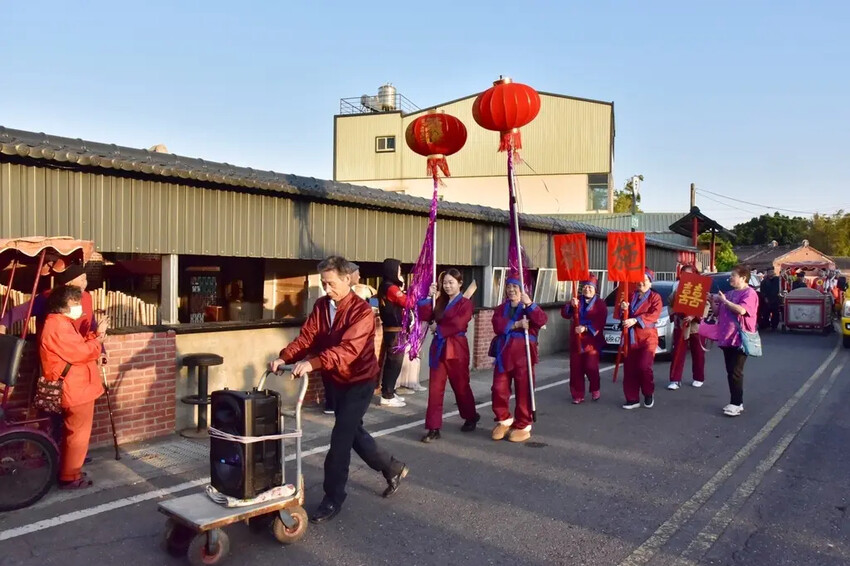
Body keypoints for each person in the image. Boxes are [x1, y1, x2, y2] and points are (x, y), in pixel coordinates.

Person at [269, 256, 408, 523]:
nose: (326, 288)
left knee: (340, 440)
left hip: (360, 381)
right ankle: (393, 468)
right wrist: (284, 357)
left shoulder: (362, 312)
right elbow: (307, 337)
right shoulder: (322, 306)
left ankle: (333, 498)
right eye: (323, 283)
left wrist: (312, 364)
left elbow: (347, 350)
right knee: (352, 432)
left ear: (347, 279)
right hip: (336, 380)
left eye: (331, 283)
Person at [38, 285, 105, 489]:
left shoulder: (60, 323)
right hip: (76, 388)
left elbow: (77, 347)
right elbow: (80, 353)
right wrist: (98, 340)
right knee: (78, 435)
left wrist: (93, 337)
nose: (79, 306)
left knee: (74, 433)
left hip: (76, 386)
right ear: (63, 304)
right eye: (75, 302)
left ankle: (69, 471)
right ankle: (70, 476)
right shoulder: (58, 326)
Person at [416, 269, 479, 443]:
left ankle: (470, 415)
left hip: (457, 348)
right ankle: (433, 427)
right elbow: (424, 314)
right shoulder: (439, 301)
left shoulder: (466, 303)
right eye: (445, 283)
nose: (447, 286)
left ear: (460, 283)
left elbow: (459, 323)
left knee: (461, 386)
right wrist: (429, 297)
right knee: (435, 389)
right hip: (439, 348)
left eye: (451, 282)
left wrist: (439, 329)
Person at [490, 273, 548, 443]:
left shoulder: (529, 307)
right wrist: (516, 324)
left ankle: (523, 424)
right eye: (508, 287)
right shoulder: (501, 308)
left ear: (523, 289)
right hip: (504, 354)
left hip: (524, 355)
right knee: (499, 388)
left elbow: (541, 320)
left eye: (515, 286)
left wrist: (529, 304)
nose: (511, 290)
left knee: (524, 390)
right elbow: (497, 325)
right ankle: (504, 419)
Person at [711, 265, 759, 417]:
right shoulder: (730, 293)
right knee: (730, 371)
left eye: (733, 275)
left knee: (736, 371)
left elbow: (742, 310)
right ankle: (737, 401)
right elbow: (717, 312)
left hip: (740, 338)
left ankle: (736, 403)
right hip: (726, 337)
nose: (730, 278)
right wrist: (712, 301)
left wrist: (725, 301)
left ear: (743, 278)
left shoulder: (750, 293)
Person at [617, 269, 663, 410]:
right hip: (630, 337)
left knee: (644, 366)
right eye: (639, 280)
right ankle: (632, 398)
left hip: (647, 337)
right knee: (629, 369)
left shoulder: (655, 297)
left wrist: (636, 320)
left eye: (645, 280)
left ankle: (648, 392)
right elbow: (622, 316)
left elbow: (654, 314)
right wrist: (623, 309)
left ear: (650, 282)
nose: (641, 283)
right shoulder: (630, 295)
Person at [561, 274, 607, 404]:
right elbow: (565, 313)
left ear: (595, 289)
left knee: (591, 366)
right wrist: (571, 306)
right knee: (576, 368)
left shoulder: (600, 304)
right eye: (585, 287)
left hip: (591, 341)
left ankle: (595, 388)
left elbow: (600, 322)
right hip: (576, 339)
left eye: (590, 287)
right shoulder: (576, 300)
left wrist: (586, 328)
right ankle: (578, 394)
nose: (587, 289)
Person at [667, 265, 707, 390]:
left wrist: (694, 315)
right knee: (678, 352)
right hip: (681, 324)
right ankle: (675, 379)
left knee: (698, 352)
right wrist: (676, 313)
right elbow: (670, 303)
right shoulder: (677, 288)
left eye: (688, 274)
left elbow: (705, 305)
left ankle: (698, 377)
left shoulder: (700, 287)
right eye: (683, 273)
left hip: (696, 326)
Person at [377, 258, 407, 408]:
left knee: (394, 363)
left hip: (395, 330)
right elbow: (408, 302)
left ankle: (390, 391)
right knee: (394, 363)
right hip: (394, 332)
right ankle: (387, 395)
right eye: (399, 270)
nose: (400, 273)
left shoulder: (387, 286)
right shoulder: (391, 288)